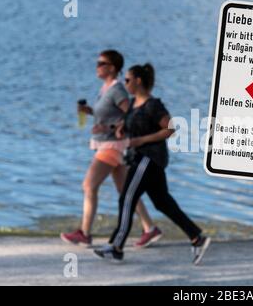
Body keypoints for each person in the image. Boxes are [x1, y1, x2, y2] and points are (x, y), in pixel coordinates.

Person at [94, 63, 210, 265]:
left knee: (127, 199)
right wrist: (118, 128)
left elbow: (171, 128)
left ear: (138, 81)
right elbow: (130, 124)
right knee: (162, 202)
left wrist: (142, 140)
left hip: (149, 158)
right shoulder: (132, 104)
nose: (125, 83)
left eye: (128, 80)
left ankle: (116, 247)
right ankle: (197, 237)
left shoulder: (153, 105)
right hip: (142, 159)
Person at [61, 50, 162, 248]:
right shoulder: (105, 88)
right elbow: (110, 115)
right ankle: (150, 229)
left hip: (112, 146)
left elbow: (132, 115)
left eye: (102, 63)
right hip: (110, 145)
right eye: (97, 62)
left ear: (113, 68)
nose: (97, 66)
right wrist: (90, 112)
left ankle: (85, 233)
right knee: (125, 191)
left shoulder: (117, 90)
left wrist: (108, 128)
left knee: (89, 186)